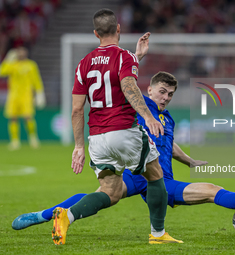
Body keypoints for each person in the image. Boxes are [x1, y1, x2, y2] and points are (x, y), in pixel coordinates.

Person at [12, 71, 235, 237]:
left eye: (170, 94)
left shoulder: (168, 119)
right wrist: (138, 56)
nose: (165, 98)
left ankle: (46, 215)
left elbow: (167, 144)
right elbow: (127, 86)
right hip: (147, 176)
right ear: (149, 90)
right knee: (212, 191)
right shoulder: (144, 105)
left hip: (158, 176)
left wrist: (188, 160)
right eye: (162, 92)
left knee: (103, 196)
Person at [46, 8, 182, 245]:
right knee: (156, 175)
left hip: (96, 138)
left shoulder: (83, 64)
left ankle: (67, 215)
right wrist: (148, 116)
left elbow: (77, 109)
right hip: (124, 131)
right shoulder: (123, 56)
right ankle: (158, 234)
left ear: (95, 33)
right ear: (119, 29)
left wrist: (78, 146)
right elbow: (128, 86)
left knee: (110, 192)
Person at [0, 46, 45, 150]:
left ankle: (33, 138)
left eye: (23, 51)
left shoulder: (31, 65)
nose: (21, 53)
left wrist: (39, 93)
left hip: (26, 95)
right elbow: (1, 72)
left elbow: (36, 79)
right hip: (13, 95)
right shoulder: (12, 65)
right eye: (19, 51)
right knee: (13, 118)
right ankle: (15, 141)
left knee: (28, 116)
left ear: (26, 53)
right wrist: (7, 59)